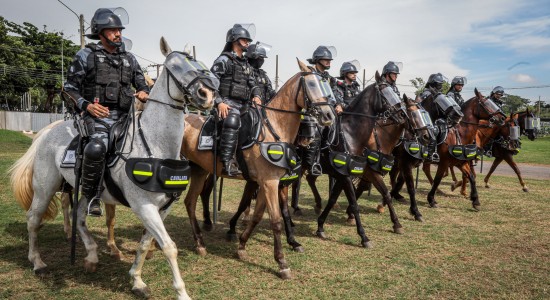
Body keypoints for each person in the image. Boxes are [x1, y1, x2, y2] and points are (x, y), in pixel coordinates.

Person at [64, 8, 150, 216]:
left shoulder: (129, 58)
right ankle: (92, 195)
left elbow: (141, 83)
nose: (118, 34)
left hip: (125, 117)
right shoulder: (86, 55)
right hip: (96, 116)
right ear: (100, 33)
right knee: (96, 147)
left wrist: (144, 92)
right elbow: (68, 89)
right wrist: (87, 106)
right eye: (112, 30)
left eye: (119, 30)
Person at [211, 24, 262, 176]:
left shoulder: (246, 64)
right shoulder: (224, 59)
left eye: (248, 40)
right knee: (232, 120)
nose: (248, 42)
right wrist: (219, 102)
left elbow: (253, 84)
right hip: (226, 102)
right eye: (245, 40)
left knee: (260, 119)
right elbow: (211, 83)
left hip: (244, 104)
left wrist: (257, 96)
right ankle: (227, 162)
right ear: (235, 40)